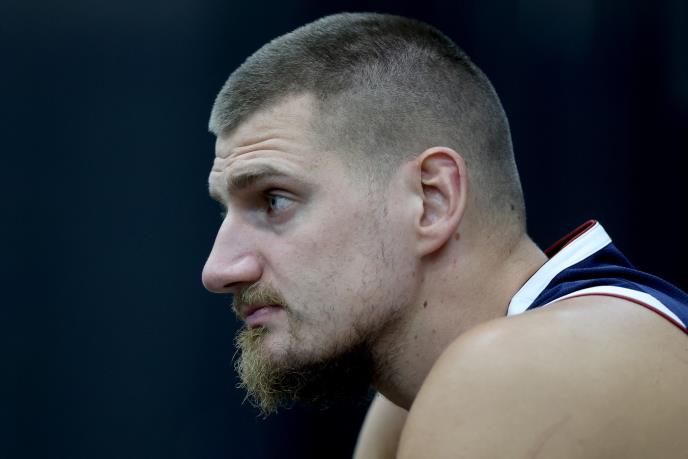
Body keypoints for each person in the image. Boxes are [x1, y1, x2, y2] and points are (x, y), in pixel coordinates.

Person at [201, 12, 688, 458]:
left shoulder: (513, 373)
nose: (218, 270)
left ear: (431, 199)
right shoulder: (413, 403)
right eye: (227, 212)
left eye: (274, 200)